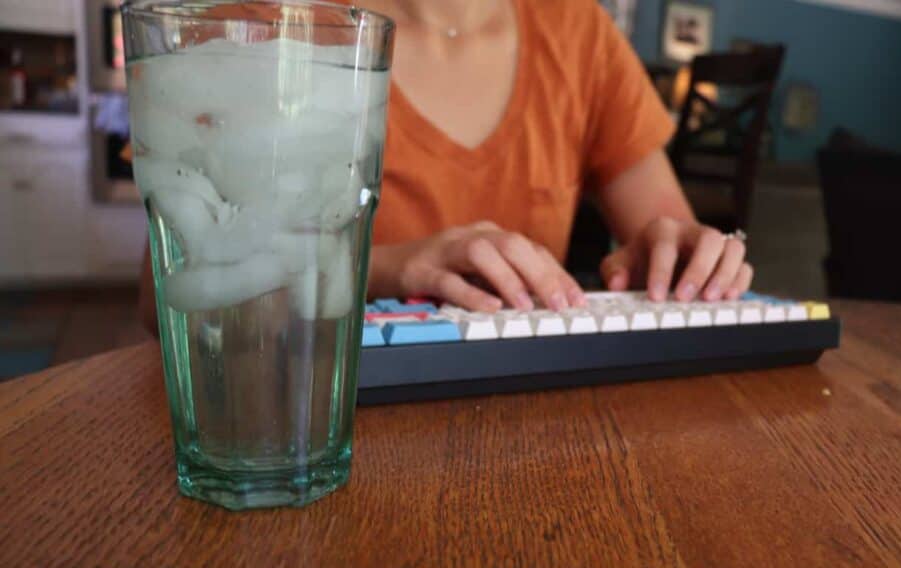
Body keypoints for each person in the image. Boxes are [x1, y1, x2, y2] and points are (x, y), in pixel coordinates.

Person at [142, 0, 752, 326]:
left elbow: (665, 232)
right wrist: (382, 270)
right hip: (310, 430)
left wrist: (678, 254)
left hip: (530, 433)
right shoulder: (265, 26)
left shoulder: (579, 31)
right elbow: (162, 292)